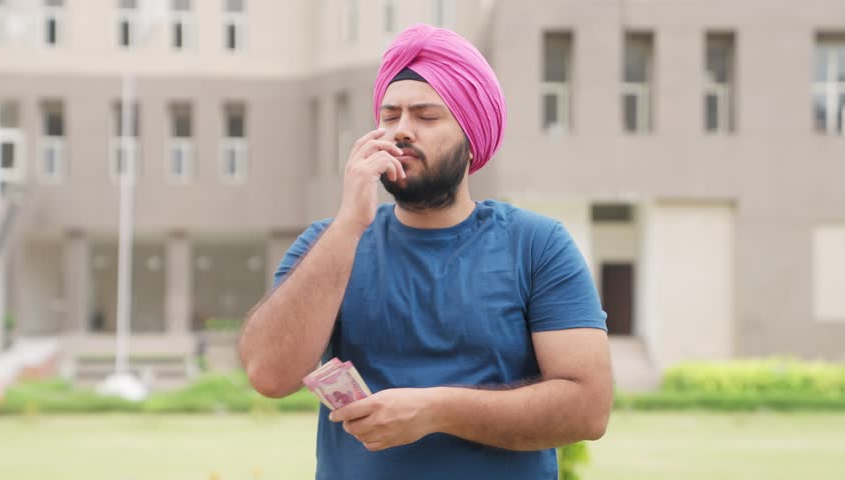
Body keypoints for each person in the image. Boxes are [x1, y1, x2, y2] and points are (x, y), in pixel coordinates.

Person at [239, 23, 612, 480]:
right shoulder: (329, 243)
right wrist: (349, 223)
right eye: (390, 116)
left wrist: (435, 411)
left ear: (471, 138)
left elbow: (588, 408)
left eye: (426, 116)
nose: (401, 131)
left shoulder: (537, 245)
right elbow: (268, 374)